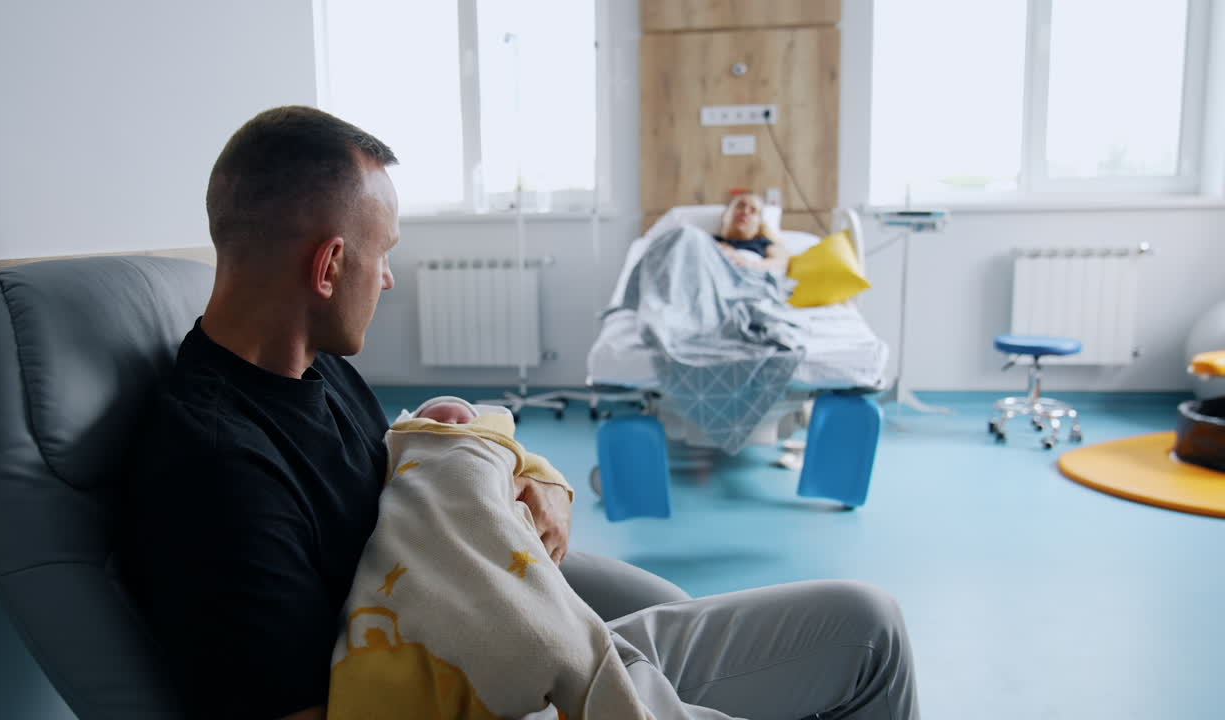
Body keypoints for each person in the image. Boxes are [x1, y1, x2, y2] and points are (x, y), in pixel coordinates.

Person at [125, 105, 920, 720]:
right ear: (330, 265)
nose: (390, 279)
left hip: (481, 612)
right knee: (870, 632)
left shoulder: (310, 367)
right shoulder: (217, 471)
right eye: (386, 253)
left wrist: (524, 477)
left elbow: (406, 478)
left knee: (757, 613)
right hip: (484, 687)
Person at [330, 395, 652, 719]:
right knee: (574, 648)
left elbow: (537, 475)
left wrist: (549, 483)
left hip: (500, 548)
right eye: (437, 421)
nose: (451, 426)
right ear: (414, 424)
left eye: (461, 420)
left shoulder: (493, 446)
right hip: (415, 560)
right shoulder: (403, 445)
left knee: (571, 641)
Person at [713, 192, 791, 272]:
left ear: (759, 222)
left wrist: (748, 263)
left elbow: (782, 261)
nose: (745, 212)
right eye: (740, 206)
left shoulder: (763, 243)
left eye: (753, 210)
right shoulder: (711, 240)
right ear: (726, 214)